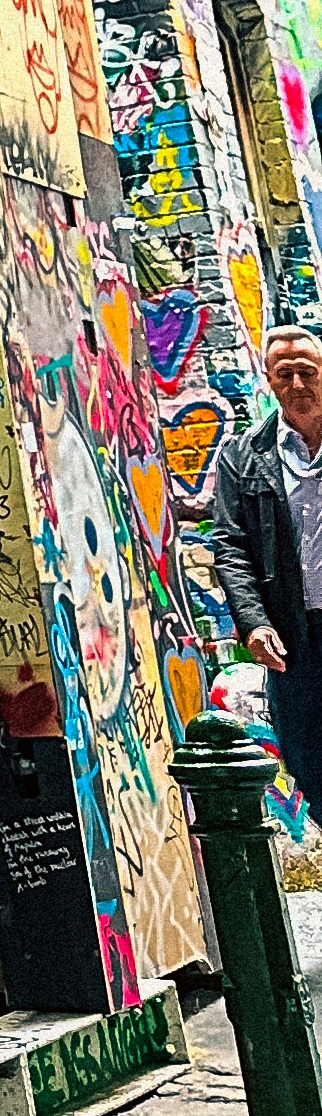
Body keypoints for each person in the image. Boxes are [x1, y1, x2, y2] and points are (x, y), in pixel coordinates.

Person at [212, 318, 322, 804]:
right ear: (269, 381)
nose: (297, 384)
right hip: (293, 637)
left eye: (307, 371)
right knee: (307, 758)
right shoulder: (242, 456)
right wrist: (254, 622)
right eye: (284, 374)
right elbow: (231, 546)